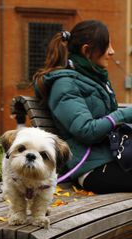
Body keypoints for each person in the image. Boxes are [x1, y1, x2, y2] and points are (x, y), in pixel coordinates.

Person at [33, 19, 132, 194]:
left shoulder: (93, 78)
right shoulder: (64, 85)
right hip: (91, 169)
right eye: (106, 46)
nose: (112, 51)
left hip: (112, 159)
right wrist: (124, 115)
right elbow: (86, 130)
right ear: (87, 51)